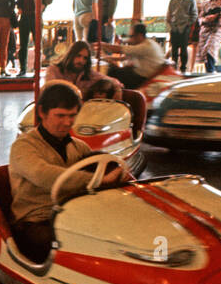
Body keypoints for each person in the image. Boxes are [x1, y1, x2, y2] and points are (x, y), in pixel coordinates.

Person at [8, 82, 130, 262]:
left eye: (72, 116)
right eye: (60, 115)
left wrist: (119, 173)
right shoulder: (24, 146)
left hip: (72, 213)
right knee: (73, 247)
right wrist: (98, 180)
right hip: (35, 220)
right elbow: (43, 174)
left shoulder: (79, 147)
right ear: (42, 113)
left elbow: (100, 165)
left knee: (116, 234)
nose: (67, 122)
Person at [44, 40, 121, 99]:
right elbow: (49, 89)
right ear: (70, 55)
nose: (81, 61)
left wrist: (118, 90)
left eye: (85, 58)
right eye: (78, 56)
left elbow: (113, 81)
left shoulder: (88, 73)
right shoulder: (54, 70)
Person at [97, 23, 165, 90]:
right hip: (143, 74)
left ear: (139, 35)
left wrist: (101, 44)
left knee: (112, 72)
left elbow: (119, 49)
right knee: (115, 69)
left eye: (131, 36)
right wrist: (106, 58)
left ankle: (112, 95)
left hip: (143, 78)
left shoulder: (145, 46)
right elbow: (123, 58)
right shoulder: (148, 43)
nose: (130, 39)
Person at [16, 0, 53, 76]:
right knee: (23, 45)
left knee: (37, 43)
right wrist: (19, 7)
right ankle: (23, 69)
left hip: (36, 16)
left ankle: (37, 68)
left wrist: (43, 5)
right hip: (24, 16)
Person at [166, 0, 197, 72]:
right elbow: (169, 14)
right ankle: (174, 68)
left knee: (184, 49)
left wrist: (188, 24)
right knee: (174, 50)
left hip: (185, 28)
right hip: (174, 27)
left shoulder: (191, 0)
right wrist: (171, 26)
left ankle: (183, 69)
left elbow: (194, 14)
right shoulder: (173, 0)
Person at [196, 0, 221, 74]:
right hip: (205, 29)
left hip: (217, 28)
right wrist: (205, 19)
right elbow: (200, 17)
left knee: (210, 47)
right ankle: (208, 71)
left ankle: (212, 70)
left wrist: (216, 17)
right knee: (204, 51)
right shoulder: (205, 3)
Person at [186, 0, 208, 72]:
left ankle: (192, 67)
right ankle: (183, 64)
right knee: (185, 42)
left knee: (196, 44)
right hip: (190, 18)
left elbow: (207, 5)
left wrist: (198, 6)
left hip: (201, 19)